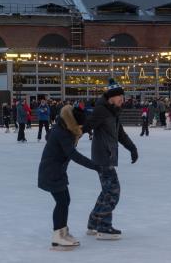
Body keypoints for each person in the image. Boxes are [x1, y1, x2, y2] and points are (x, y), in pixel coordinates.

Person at [38, 105, 102, 250]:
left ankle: (63, 232)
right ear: (72, 122)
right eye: (79, 125)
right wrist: (96, 166)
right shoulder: (62, 133)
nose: (80, 128)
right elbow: (74, 155)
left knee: (65, 200)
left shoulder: (62, 127)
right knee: (62, 202)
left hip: (56, 171)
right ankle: (57, 236)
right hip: (51, 172)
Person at [83, 78, 138, 240]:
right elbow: (86, 126)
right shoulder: (102, 110)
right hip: (103, 157)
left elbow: (120, 134)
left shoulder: (113, 112)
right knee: (114, 192)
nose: (123, 100)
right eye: (120, 97)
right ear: (112, 97)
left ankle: (94, 223)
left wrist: (132, 148)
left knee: (106, 191)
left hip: (107, 156)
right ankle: (104, 227)